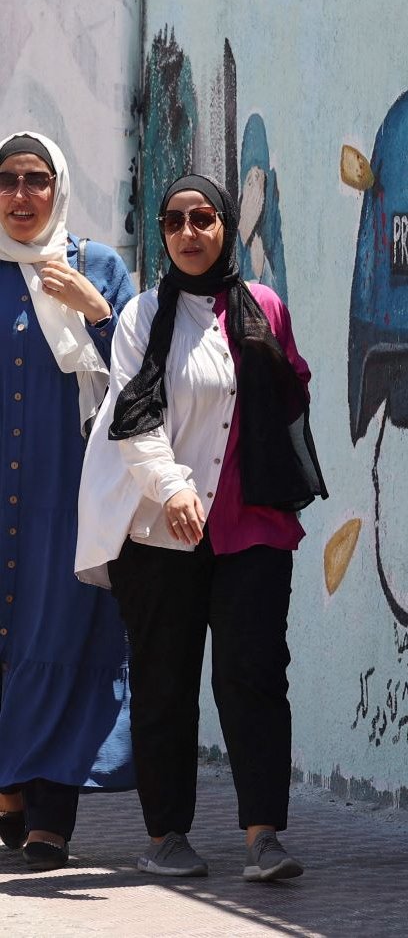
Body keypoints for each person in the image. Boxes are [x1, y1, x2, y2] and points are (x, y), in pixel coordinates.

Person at [77, 174, 313, 882]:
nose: (189, 232)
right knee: (164, 683)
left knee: (254, 676)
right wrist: (174, 488)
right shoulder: (142, 316)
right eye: (175, 220)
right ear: (162, 230)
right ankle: (168, 834)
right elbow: (132, 417)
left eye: (203, 218)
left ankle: (263, 835)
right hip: (160, 532)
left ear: (225, 227)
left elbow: (292, 386)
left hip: (253, 528)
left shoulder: (264, 306)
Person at [0, 130, 135, 870]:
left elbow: (145, 374)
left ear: (59, 186)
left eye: (36, 179)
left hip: (68, 496)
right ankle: (11, 791)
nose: (21, 196)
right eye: (7, 180)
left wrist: (97, 311)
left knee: (61, 637)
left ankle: (50, 809)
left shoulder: (98, 267)